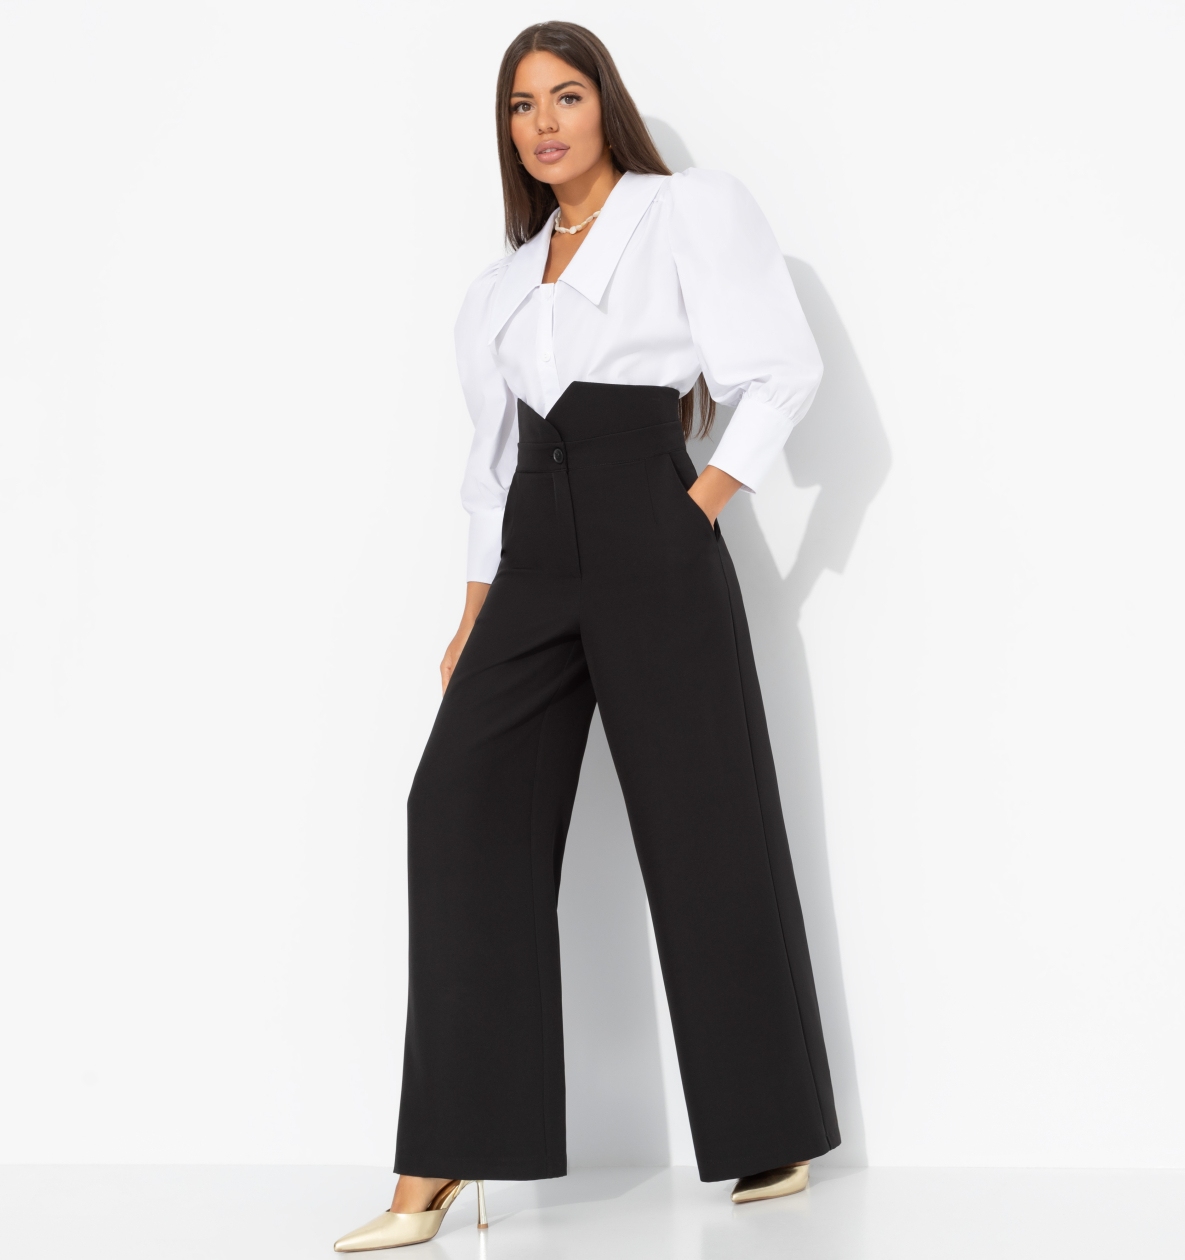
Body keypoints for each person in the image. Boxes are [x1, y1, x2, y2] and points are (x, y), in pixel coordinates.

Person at [334, 20, 841, 1252]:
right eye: (522, 106)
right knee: (455, 805)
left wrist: (696, 506)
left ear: (605, 104)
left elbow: (782, 369)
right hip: (532, 550)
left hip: (650, 518)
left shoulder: (684, 213)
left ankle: (767, 1130)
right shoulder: (503, 284)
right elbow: (490, 461)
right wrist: (475, 611)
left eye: (565, 96)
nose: (545, 123)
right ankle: (445, 1155)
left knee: (704, 817)